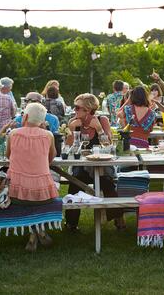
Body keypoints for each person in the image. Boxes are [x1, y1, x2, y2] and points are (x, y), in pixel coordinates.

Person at [65, 93, 124, 231]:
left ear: (88, 109)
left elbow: (109, 146)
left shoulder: (102, 120)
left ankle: (118, 217)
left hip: (101, 164)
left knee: (107, 183)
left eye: (78, 107)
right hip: (82, 166)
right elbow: (67, 149)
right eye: (75, 107)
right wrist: (71, 130)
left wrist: (99, 129)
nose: (75, 110)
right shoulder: (74, 122)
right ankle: (71, 223)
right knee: (75, 183)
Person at [6, 102, 58, 251]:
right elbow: (51, 157)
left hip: (16, 193)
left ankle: (34, 234)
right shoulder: (48, 135)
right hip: (43, 194)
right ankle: (38, 231)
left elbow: (8, 156)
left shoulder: (13, 134)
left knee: (28, 200)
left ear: (26, 116)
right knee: (38, 199)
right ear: (43, 121)